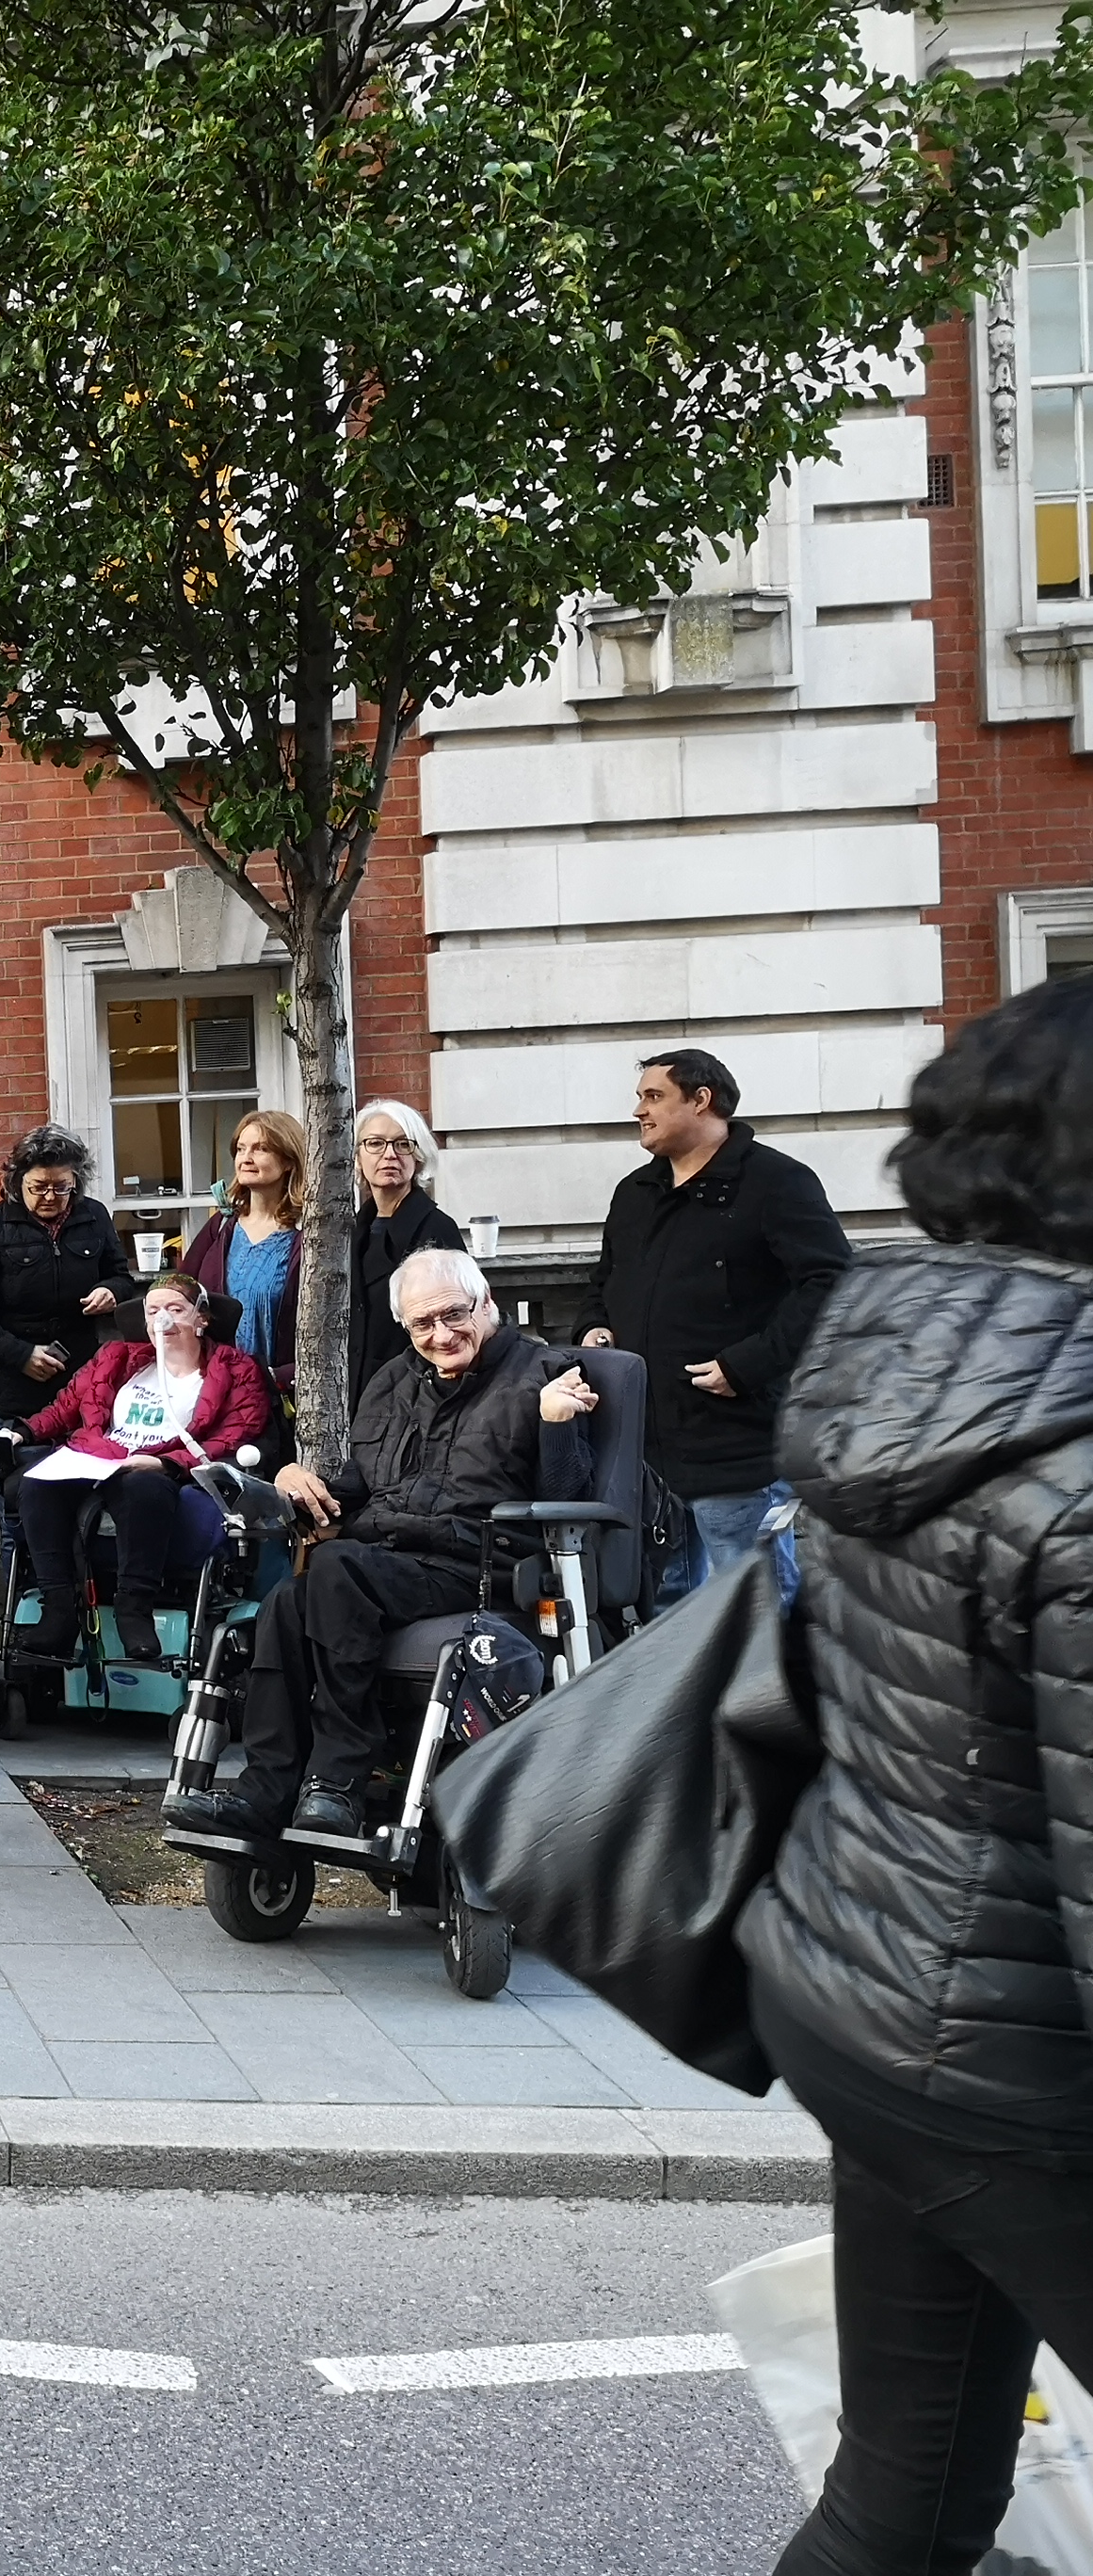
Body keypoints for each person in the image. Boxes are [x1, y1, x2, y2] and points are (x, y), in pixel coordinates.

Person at [731, 975, 1093, 2576]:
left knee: (902, 2502)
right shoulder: (1068, 1458)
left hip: (860, 1998)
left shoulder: (889, 1357)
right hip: (1015, 2059)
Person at [166, 1248, 597, 1843]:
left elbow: (567, 1499)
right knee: (285, 1605)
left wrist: (555, 1423)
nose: (441, 1335)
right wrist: (294, 1481)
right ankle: (265, 1794)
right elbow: (358, 1485)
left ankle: (336, 1783)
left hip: (478, 1563)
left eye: (453, 1315)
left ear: (487, 1303)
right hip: (384, 1562)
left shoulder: (545, 1374)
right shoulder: (395, 1381)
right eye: (422, 1323)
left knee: (335, 1567)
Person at [575, 1047, 849, 1609]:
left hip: (733, 1440)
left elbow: (832, 1285)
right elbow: (602, 1281)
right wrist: (594, 1326)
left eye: (653, 1097)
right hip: (645, 1451)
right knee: (668, 1610)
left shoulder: (778, 1182)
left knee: (757, 1605)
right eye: (640, 1098)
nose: (638, 1112)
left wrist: (746, 1365)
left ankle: (779, 1700)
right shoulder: (634, 1193)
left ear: (701, 1100)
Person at [10, 1272, 277, 1658]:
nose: (162, 1319)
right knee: (36, 1483)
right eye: (153, 1311)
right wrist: (24, 1432)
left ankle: (134, 1608)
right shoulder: (118, 1359)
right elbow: (68, 1404)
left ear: (201, 1319)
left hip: (160, 1465)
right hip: (101, 1456)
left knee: (144, 1489)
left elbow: (235, 1433)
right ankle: (58, 1609)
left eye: (175, 1309)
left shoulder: (236, 1369)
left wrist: (168, 1463)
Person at [0, 1124, 141, 1550]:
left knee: (84, 1512)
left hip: (77, 1390)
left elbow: (121, 1276)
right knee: (14, 1518)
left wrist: (112, 1291)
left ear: (76, 1183)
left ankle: (74, 1606)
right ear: (16, 1182)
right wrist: (19, 1354)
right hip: (4, 1394)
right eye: (38, 1187)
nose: (49, 1197)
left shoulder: (94, 1217)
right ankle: (21, 1613)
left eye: (61, 1187)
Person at [178, 1109, 308, 1421]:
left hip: (279, 1401)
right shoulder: (221, 1228)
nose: (246, 1158)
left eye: (261, 1148)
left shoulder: (308, 1236)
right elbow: (179, 1292)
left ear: (289, 1160)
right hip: (214, 1395)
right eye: (241, 1148)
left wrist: (280, 1377)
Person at [346, 1100, 464, 1406]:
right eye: (375, 1143)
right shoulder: (352, 1231)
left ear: (419, 1157)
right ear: (358, 1157)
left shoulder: (436, 1230)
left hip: (414, 1399)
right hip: (356, 1398)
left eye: (403, 1144)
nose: (389, 1154)